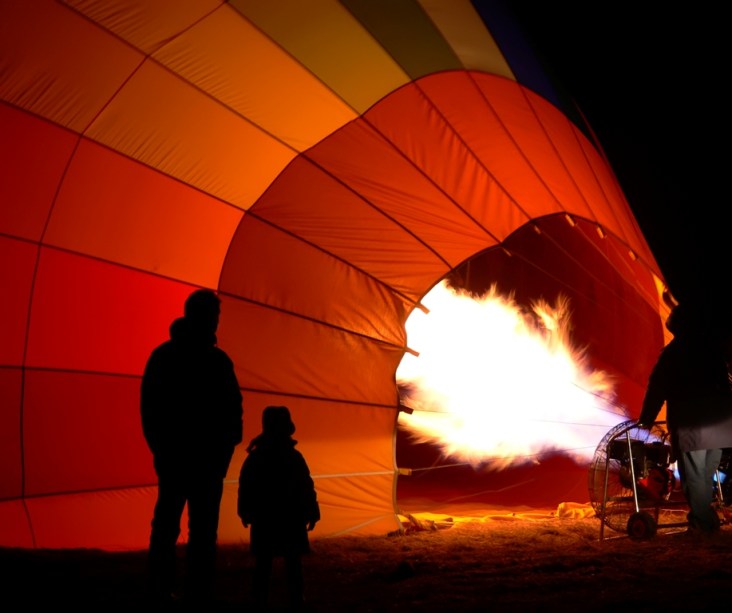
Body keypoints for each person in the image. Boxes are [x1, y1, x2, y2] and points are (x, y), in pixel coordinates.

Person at [141, 289, 243, 606]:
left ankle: (166, 589)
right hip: (197, 458)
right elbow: (232, 410)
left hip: (182, 457)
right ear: (202, 317)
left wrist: (161, 449)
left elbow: (150, 409)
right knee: (196, 527)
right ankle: (193, 590)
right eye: (213, 316)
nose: (215, 322)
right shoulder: (214, 361)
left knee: (172, 525)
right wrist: (224, 449)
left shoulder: (165, 357)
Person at [638, 302, 732, 536]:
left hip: (692, 422)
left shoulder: (673, 353)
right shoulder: (713, 351)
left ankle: (705, 526)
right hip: (720, 423)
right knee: (705, 476)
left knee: (694, 478)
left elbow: (656, 389)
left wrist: (646, 421)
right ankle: (700, 522)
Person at [237, 405, 320, 611]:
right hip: (291, 518)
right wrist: (312, 511)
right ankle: (296, 599)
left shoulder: (255, 458)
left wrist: (245, 511)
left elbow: (245, 486)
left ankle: (260, 599)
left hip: (264, 518)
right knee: (293, 563)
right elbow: (306, 485)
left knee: (263, 564)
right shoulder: (294, 457)